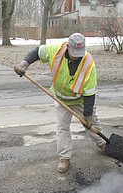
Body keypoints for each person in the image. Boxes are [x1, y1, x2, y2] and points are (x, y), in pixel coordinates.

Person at [14, 33, 106, 173]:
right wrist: (24, 64)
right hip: (61, 99)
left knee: (92, 124)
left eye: (79, 53)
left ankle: (103, 144)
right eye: (74, 53)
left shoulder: (88, 62)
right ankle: (64, 157)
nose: (77, 56)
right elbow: (37, 52)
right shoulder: (56, 50)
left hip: (81, 99)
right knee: (63, 127)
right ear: (68, 46)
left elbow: (90, 92)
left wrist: (87, 115)